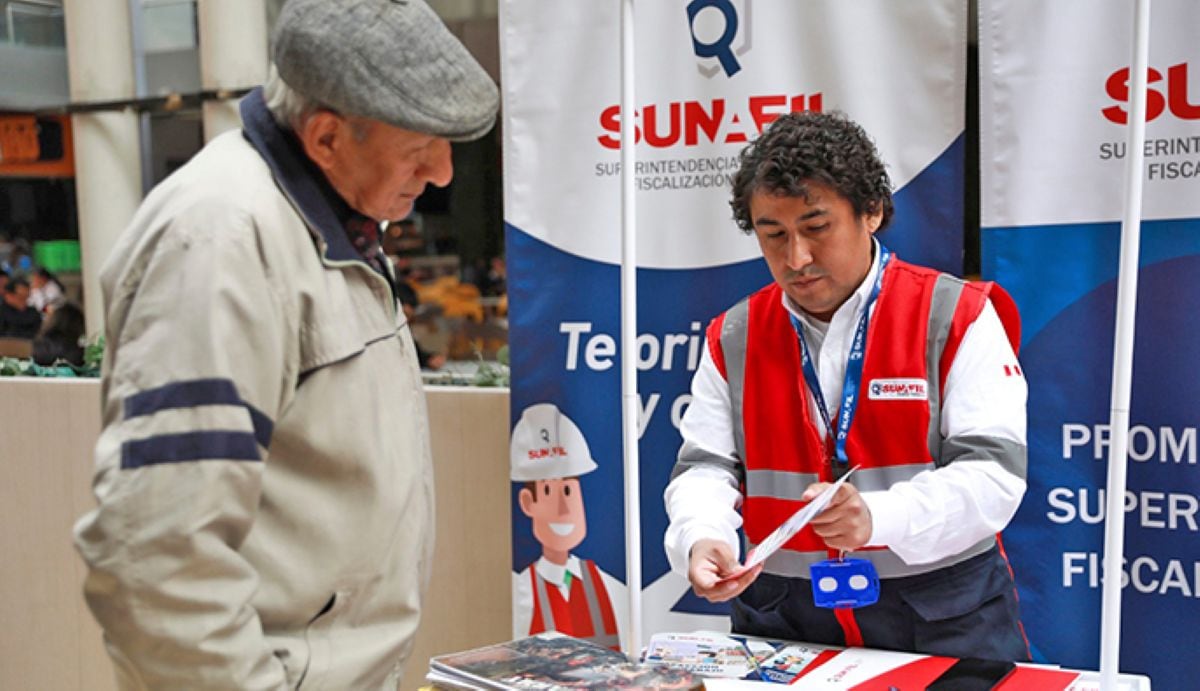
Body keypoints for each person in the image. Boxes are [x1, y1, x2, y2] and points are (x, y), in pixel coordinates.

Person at [72, 1, 498, 688]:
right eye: (420, 148)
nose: (444, 173)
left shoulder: (330, 219)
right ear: (326, 137)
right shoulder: (220, 243)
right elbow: (156, 557)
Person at [663, 111, 1029, 662]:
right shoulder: (733, 336)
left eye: (817, 228)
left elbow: (993, 476)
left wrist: (878, 518)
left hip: (945, 622)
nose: (796, 258)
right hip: (785, 622)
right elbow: (704, 468)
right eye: (774, 235)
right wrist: (701, 534)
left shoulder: (955, 316)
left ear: (871, 211)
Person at [511, 403, 626, 651]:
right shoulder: (522, 587)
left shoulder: (603, 580)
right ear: (528, 503)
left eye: (568, 492)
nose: (563, 509)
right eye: (548, 492)